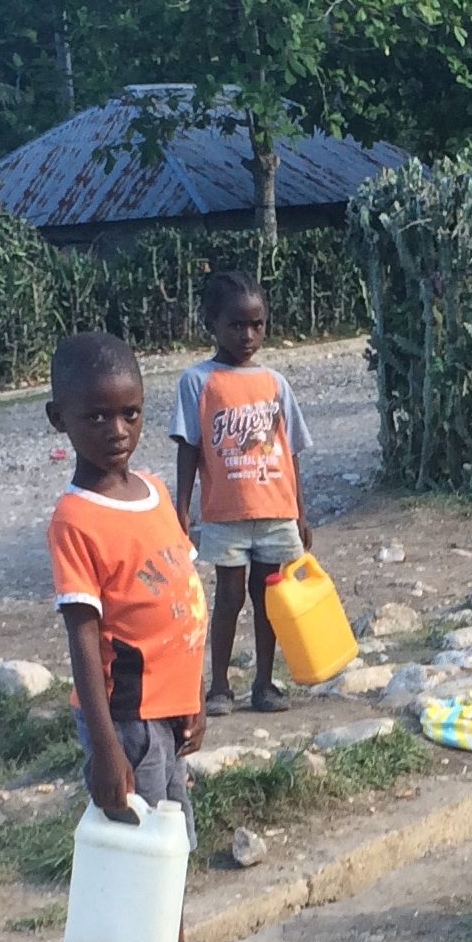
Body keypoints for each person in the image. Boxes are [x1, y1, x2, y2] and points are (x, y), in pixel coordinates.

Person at [48, 332, 262, 942]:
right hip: (125, 717)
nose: (116, 431)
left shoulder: (156, 493)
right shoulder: (76, 518)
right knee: (132, 853)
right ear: (60, 420)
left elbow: (177, 598)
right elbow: (83, 637)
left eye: (131, 415)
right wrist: (104, 748)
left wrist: (194, 697)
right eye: (96, 418)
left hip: (165, 712)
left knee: (165, 843)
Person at [173, 272, 315, 715]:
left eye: (257, 324)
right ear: (211, 324)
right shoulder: (198, 382)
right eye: (236, 325)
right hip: (225, 514)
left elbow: (289, 452)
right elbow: (190, 448)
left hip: (276, 511)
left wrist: (301, 514)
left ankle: (265, 683)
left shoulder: (275, 382)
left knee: (269, 596)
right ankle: (218, 686)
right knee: (229, 596)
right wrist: (182, 507)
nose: (248, 335)